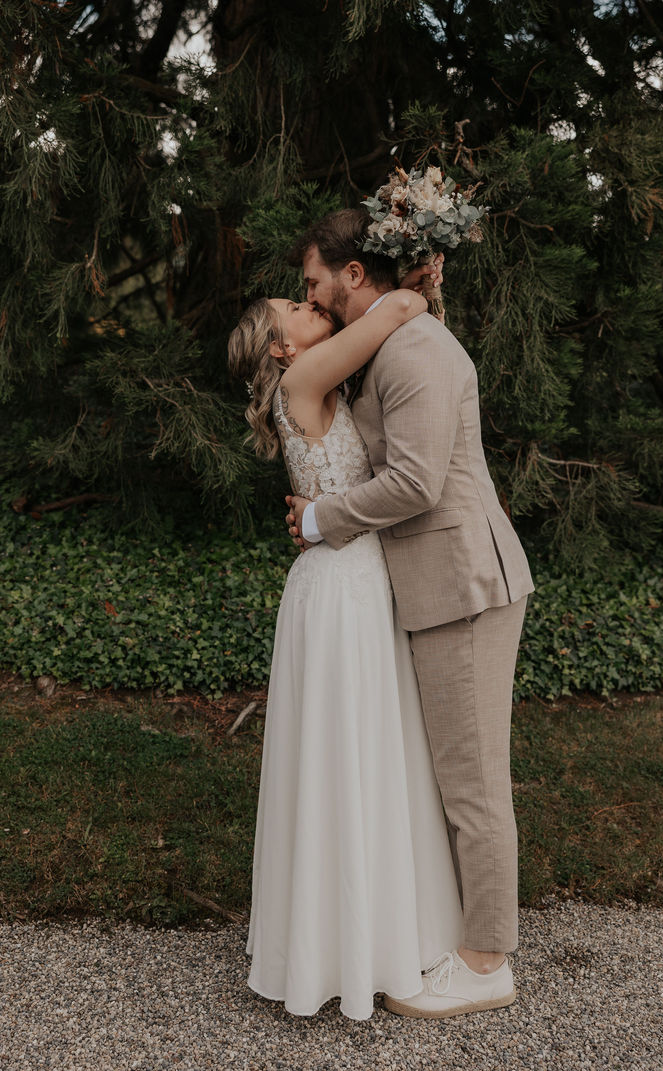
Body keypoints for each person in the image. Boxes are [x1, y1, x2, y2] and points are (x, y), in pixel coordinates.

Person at [285, 208, 535, 1019]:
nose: (311, 298)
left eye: (315, 282)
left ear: (354, 274)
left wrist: (321, 519)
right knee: (455, 777)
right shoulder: (394, 343)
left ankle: (488, 959)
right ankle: (458, 933)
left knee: (472, 783)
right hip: (439, 584)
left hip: (462, 585)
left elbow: (419, 482)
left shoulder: (416, 348)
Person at [227, 287, 466, 1021]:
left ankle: (377, 932)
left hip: (355, 580)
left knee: (374, 752)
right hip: (338, 591)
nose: (311, 305)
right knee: (343, 755)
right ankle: (345, 945)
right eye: (294, 308)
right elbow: (393, 313)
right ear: (281, 347)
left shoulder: (319, 383)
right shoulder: (301, 381)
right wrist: (419, 261)